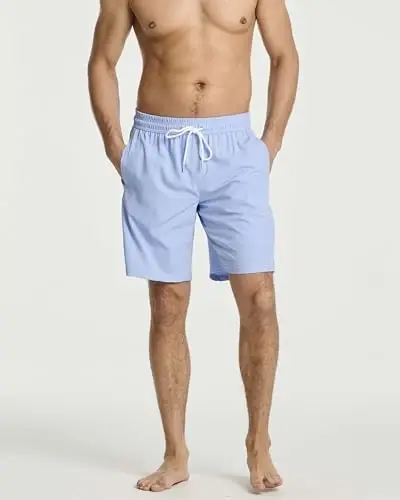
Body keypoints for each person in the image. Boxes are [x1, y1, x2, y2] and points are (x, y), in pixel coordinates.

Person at [88, 0, 298, 493]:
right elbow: (102, 60)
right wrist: (117, 149)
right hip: (157, 148)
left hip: (235, 150)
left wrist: (269, 142)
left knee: (260, 297)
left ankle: (259, 443)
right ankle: (175, 453)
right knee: (167, 302)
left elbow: (284, 54)